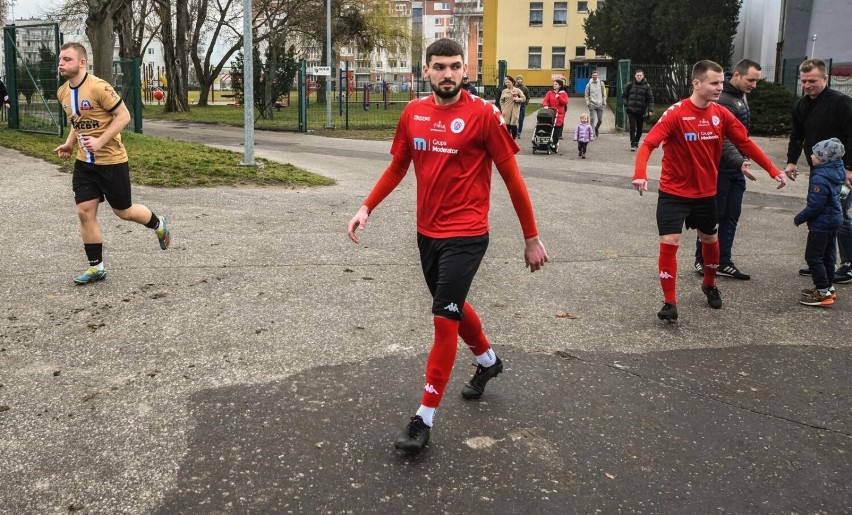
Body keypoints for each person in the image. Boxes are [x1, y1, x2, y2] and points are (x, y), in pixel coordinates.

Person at [346, 39, 548, 455]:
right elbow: (397, 167)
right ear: (426, 72)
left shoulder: (483, 115)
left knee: (442, 319)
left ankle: (424, 418)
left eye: (455, 67)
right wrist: (367, 207)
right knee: (451, 304)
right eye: (439, 67)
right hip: (427, 233)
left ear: (466, 71)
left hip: (468, 233)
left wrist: (531, 237)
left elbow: (513, 178)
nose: (448, 74)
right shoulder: (412, 113)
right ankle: (490, 362)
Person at [631, 60, 786, 322]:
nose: (719, 88)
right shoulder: (676, 113)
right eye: (714, 83)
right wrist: (640, 175)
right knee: (670, 243)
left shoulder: (720, 114)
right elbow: (648, 145)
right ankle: (670, 303)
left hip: (705, 194)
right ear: (697, 83)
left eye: (721, 83)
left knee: (710, 241)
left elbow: (745, 143)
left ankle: (710, 284)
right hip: (673, 193)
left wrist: (773, 170)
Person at [52, 42, 171, 284]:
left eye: (67, 60)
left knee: (123, 212)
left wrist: (101, 141)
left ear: (82, 63)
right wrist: (69, 144)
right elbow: (77, 122)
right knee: (85, 212)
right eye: (60, 59)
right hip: (85, 164)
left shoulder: (99, 87)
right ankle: (96, 267)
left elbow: (124, 116)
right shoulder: (62, 92)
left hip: (112, 162)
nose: (61, 64)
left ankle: (159, 224)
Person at [784, 58, 852, 285]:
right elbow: (797, 134)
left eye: (812, 80)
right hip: (818, 170)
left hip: (842, 172)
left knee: (838, 215)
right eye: (804, 81)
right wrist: (791, 161)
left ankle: (849, 264)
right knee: (822, 215)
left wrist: (850, 168)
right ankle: (824, 263)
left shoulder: (841, 103)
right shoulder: (801, 105)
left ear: (825, 78)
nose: (807, 85)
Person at [694, 59, 763, 281]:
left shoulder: (738, 97)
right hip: (722, 169)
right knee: (715, 216)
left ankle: (722, 260)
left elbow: (741, 136)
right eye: (750, 79)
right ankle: (703, 260)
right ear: (736, 75)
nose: (754, 85)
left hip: (735, 168)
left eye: (756, 81)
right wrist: (738, 161)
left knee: (731, 214)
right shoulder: (723, 100)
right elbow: (722, 139)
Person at [794, 138, 845, 307]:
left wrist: (799, 218)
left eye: (815, 154)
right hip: (833, 221)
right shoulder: (836, 172)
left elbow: (816, 205)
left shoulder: (821, 177)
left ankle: (822, 291)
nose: (811, 155)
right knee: (828, 255)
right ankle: (828, 287)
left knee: (813, 256)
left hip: (821, 224)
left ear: (825, 158)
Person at [623, 69, 654, 151]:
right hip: (631, 109)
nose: (639, 77)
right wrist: (626, 103)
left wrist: (650, 110)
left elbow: (650, 99)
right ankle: (632, 143)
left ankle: (636, 141)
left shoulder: (647, 86)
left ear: (643, 76)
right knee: (632, 127)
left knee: (640, 128)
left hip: (641, 110)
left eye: (640, 75)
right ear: (635, 76)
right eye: (637, 75)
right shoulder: (630, 85)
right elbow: (624, 95)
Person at [541, 79, 569, 152]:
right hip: (550, 113)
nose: (554, 85)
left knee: (556, 129)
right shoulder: (550, 93)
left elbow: (565, 102)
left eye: (556, 84)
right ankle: (545, 141)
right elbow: (545, 100)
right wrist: (545, 105)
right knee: (548, 127)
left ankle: (554, 143)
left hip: (559, 113)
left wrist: (559, 97)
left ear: (560, 85)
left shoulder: (564, 94)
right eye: (554, 84)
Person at [584, 70, 606, 135]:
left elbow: (604, 93)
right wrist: (588, 103)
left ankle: (596, 128)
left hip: (600, 104)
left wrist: (604, 102)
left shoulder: (601, 83)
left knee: (600, 120)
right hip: (592, 104)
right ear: (592, 76)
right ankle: (592, 133)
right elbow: (586, 94)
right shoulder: (589, 84)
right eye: (594, 75)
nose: (595, 76)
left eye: (596, 75)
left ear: (597, 76)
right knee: (592, 119)